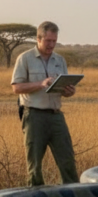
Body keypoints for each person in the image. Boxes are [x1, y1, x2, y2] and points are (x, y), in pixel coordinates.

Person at [11, 21, 79, 187]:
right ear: (38, 39)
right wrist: (40, 84)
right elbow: (16, 87)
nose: (51, 45)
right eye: (48, 41)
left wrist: (69, 91)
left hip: (56, 115)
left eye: (54, 41)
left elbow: (64, 88)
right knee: (34, 165)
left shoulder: (60, 60)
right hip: (34, 116)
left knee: (68, 162)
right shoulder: (25, 58)